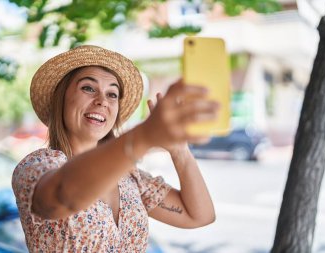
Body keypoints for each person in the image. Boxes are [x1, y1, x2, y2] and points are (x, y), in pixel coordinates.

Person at [12, 45, 218, 253]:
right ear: (61, 98)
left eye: (112, 94)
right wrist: (144, 135)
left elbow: (199, 215)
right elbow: (63, 195)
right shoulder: (36, 166)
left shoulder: (130, 177)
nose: (102, 101)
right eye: (88, 88)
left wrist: (180, 151)